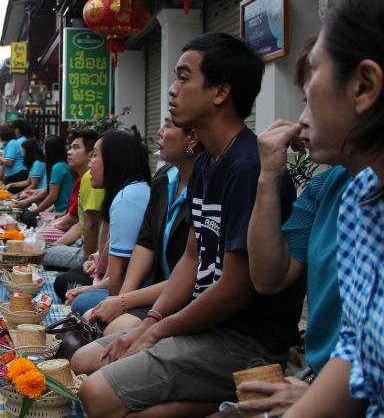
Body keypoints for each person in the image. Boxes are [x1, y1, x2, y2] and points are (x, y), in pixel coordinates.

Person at [73, 33, 301, 418]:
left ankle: (236, 398)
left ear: (220, 92)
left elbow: (234, 289)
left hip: (244, 341)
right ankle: (225, 402)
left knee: (96, 394)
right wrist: (153, 321)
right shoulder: (208, 162)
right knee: (87, 361)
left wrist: (155, 333)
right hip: (206, 329)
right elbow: (192, 258)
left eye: (183, 77)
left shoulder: (247, 167)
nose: (172, 91)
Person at [273, 0, 384, 417]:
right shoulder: (361, 199)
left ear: (363, 87)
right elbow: (356, 347)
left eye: (314, 72)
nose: (299, 118)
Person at [232, 38, 350, 417]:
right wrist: (268, 174)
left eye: (310, 98)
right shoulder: (327, 186)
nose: (301, 119)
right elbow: (268, 276)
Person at [85, 112, 202, 335]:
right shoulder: (164, 178)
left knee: (104, 327)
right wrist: (121, 301)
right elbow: (145, 241)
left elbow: (189, 272)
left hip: (182, 300)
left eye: (167, 126)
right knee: (90, 318)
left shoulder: (207, 184)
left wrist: (122, 303)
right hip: (155, 292)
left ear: (192, 138)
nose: (159, 132)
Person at [64, 130, 151, 315]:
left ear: (114, 160)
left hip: (135, 293)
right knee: (72, 288)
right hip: (126, 286)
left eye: (95, 155)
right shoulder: (128, 192)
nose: (90, 163)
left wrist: (109, 314)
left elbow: (118, 274)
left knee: (79, 302)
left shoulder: (127, 198)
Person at [43, 129, 101, 271]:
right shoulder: (82, 177)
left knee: (41, 251)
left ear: (90, 154)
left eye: (76, 148)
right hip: (83, 244)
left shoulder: (91, 178)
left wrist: (87, 262)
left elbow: (89, 223)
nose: (69, 152)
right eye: (70, 148)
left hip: (90, 252)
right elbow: (80, 224)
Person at [19, 135, 75, 227]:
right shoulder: (62, 165)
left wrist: (36, 210)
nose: (43, 150)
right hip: (60, 210)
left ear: (49, 150)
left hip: (61, 212)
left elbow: (52, 196)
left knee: (27, 216)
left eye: (44, 147)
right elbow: (49, 189)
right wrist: (32, 194)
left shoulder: (57, 167)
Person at [0, 120, 29, 186]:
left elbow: (8, 162)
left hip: (17, 175)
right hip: (13, 175)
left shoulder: (12, 144)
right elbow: (4, 160)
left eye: (0, 132)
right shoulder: (9, 143)